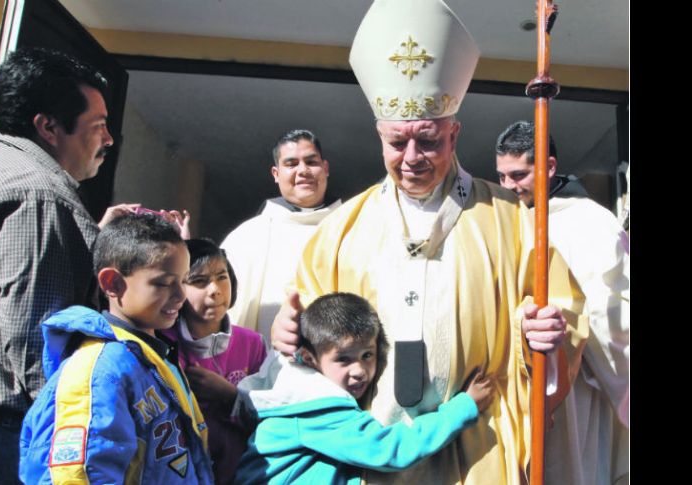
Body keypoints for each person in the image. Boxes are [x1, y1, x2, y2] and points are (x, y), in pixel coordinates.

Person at [269, 1, 589, 483]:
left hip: (481, 442)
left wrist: (542, 335)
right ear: (379, 137)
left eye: (429, 140)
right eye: (398, 142)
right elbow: (312, 341)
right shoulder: (338, 233)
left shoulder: (513, 222)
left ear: (454, 133)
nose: (412, 157)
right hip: (372, 447)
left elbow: (559, 317)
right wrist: (290, 336)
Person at [0, 47, 142, 484]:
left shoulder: (2, 173)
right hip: (7, 435)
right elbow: (37, 339)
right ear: (49, 127)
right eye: (99, 125)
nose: (109, 139)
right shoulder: (37, 195)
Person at [19, 213, 213, 484]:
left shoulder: (152, 356)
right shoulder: (99, 370)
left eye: (183, 281)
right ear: (112, 283)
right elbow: (80, 474)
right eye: (163, 283)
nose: (181, 296)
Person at [235, 292, 494, 484]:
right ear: (310, 358)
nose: (359, 370)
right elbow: (390, 450)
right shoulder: (316, 407)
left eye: (367, 356)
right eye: (343, 359)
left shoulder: (297, 391)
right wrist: (463, 408)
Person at [495, 120, 630, 485]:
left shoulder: (590, 223)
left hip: (577, 382)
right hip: (518, 382)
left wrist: (617, 382)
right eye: (502, 176)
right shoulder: (504, 222)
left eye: (518, 174)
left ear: (549, 167)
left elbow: (609, 313)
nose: (508, 186)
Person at [159, 238, 268, 485]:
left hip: (240, 473)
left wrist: (231, 397)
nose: (215, 289)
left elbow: (269, 417)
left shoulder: (253, 344)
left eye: (222, 276)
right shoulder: (162, 343)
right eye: (199, 281)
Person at [221, 129, 341, 344]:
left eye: (311, 162)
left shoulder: (350, 228)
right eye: (291, 163)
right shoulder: (248, 237)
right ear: (276, 174)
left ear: (325, 168)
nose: (303, 170)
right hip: (265, 366)